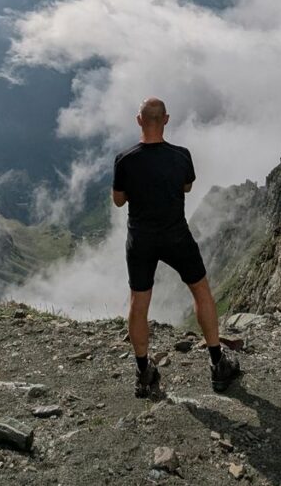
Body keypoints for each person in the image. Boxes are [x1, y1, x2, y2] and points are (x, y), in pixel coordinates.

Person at [112, 97, 241, 398]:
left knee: (138, 302)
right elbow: (186, 187)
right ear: (166, 120)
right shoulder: (181, 155)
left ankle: (144, 373)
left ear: (139, 120)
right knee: (201, 291)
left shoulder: (125, 159)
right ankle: (217, 364)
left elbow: (119, 201)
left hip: (140, 239)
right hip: (176, 236)